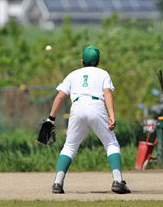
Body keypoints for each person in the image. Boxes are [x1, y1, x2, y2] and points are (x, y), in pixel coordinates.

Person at [46, 45, 130, 194]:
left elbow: (60, 96)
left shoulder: (73, 74)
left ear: (81, 61)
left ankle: (57, 183)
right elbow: (107, 93)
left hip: (77, 107)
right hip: (96, 106)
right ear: (98, 61)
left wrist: (51, 118)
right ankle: (117, 181)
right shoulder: (103, 73)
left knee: (70, 146)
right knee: (111, 143)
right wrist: (112, 115)